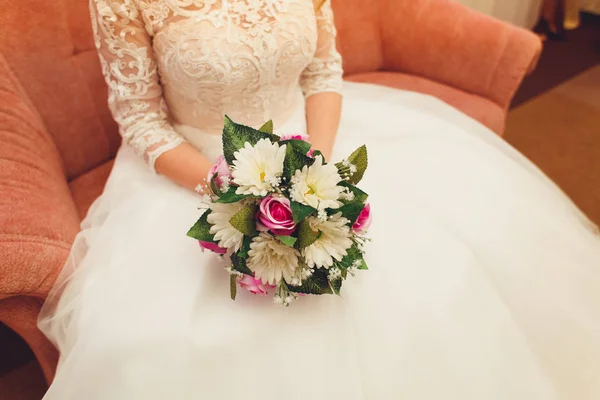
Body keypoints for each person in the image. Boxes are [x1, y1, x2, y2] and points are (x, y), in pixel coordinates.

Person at [39, 0, 600, 398]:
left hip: (313, 148)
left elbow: (322, 69)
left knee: (436, 274)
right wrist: (239, 193)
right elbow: (139, 119)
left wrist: (316, 171)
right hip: (200, 171)